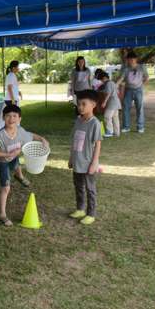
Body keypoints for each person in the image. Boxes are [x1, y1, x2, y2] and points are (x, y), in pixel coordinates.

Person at [0, 104, 49, 227]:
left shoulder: (20, 131)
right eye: (8, 116)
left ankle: (19, 176)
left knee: (17, 165)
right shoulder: (0, 136)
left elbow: (31, 135)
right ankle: (2, 214)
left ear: (19, 119)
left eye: (14, 116)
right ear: (3, 118)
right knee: (6, 188)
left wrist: (42, 139)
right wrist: (8, 154)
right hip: (2, 161)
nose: (11, 119)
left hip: (13, 157)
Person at [68, 89, 102, 225]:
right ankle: (80, 209)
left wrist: (94, 163)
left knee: (90, 189)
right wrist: (71, 158)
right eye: (78, 104)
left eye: (84, 104)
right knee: (78, 186)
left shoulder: (95, 123)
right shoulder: (78, 120)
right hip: (77, 161)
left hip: (88, 163)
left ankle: (91, 214)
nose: (80, 107)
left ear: (93, 105)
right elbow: (74, 141)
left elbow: (98, 144)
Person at [117, 51, 149, 133]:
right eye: (129, 59)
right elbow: (121, 79)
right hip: (128, 90)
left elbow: (146, 77)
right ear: (127, 60)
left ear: (136, 59)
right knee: (125, 108)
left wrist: (141, 85)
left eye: (132, 59)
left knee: (139, 108)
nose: (131, 61)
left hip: (138, 90)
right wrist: (115, 85)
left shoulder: (141, 67)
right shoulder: (126, 68)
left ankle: (140, 127)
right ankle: (126, 127)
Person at [96, 69, 121, 137]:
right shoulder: (112, 82)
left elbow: (108, 93)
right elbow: (117, 92)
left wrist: (104, 102)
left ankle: (109, 132)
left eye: (101, 80)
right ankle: (117, 132)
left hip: (112, 103)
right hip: (116, 102)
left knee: (107, 116)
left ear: (104, 78)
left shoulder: (108, 84)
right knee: (115, 117)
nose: (101, 81)